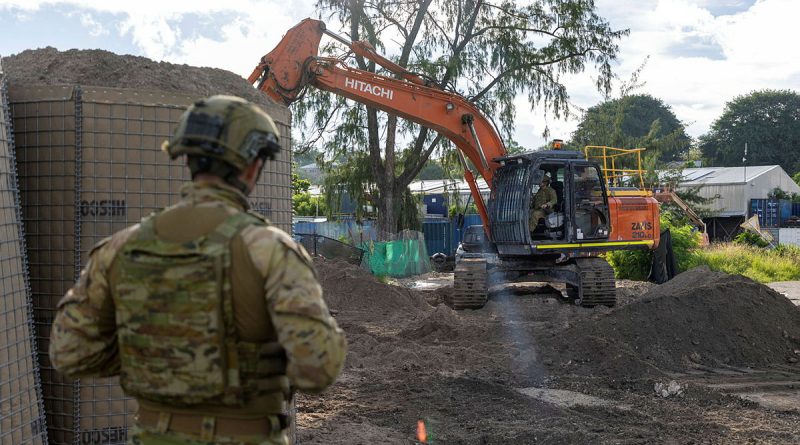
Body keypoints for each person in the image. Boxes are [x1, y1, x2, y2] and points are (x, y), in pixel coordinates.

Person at [49, 95, 346, 445]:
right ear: (252, 166)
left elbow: (68, 353)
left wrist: (153, 353)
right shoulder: (270, 250)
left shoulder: (118, 248)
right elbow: (318, 368)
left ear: (188, 159)